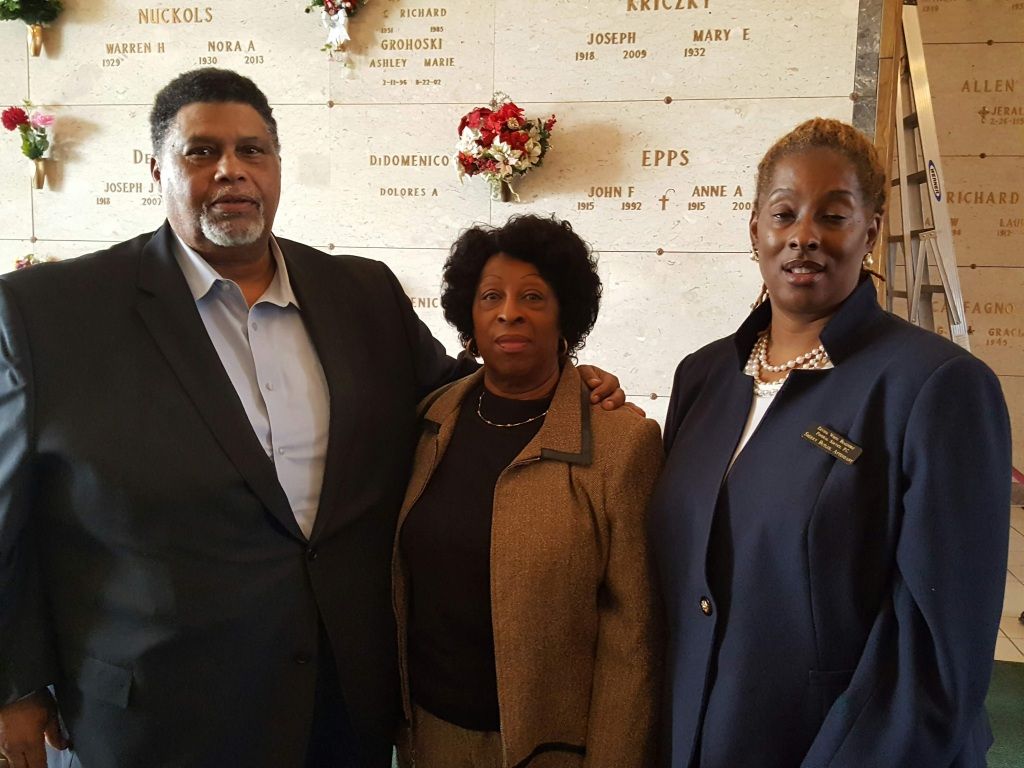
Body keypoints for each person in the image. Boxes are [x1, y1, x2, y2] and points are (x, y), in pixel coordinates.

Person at [0, 69, 626, 768]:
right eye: (201, 152)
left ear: (275, 166)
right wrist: (16, 688)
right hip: (165, 713)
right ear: (156, 168)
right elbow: (8, 518)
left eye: (253, 150)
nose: (231, 170)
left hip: (342, 704)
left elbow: (461, 397)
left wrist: (568, 386)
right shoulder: (52, 314)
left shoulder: (361, 293)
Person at [647, 118, 1012, 768]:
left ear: (870, 229)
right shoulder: (701, 377)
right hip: (700, 738)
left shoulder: (936, 387)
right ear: (755, 226)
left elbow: (936, 655)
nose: (804, 236)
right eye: (784, 213)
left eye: (834, 215)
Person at [391, 214, 664, 768]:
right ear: (469, 316)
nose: (509, 311)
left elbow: (634, 637)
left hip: (551, 750)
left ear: (566, 315)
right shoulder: (429, 423)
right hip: (428, 737)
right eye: (491, 295)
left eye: (533, 297)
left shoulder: (621, 443)